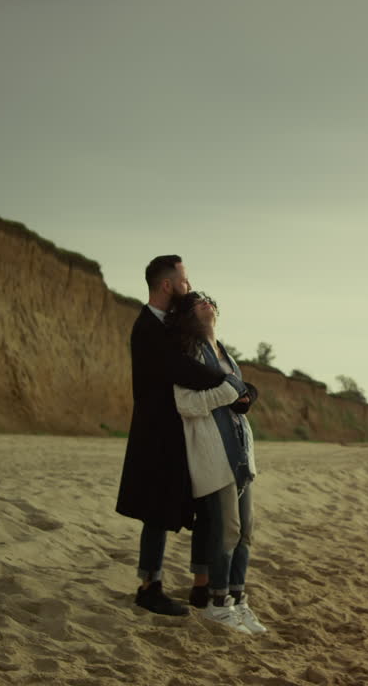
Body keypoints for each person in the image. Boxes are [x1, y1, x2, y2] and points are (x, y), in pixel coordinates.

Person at [114, 255, 246, 616]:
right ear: (167, 285)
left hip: (179, 434)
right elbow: (181, 369)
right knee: (155, 514)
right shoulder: (147, 328)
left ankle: (199, 585)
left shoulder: (167, 327)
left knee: (196, 510)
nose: (188, 287)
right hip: (156, 435)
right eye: (185, 282)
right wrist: (228, 382)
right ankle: (148, 588)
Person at [166, 291, 266, 635]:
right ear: (187, 315)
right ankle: (217, 604)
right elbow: (185, 404)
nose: (205, 301)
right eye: (196, 300)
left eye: (207, 298)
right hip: (214, 454)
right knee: (228, 532)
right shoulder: (190, 352)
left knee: (245, 533)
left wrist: (243, 396)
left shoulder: (225, 353)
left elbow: (234, 394)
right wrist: (230, 390)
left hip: (240, 451)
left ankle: (238, 601)